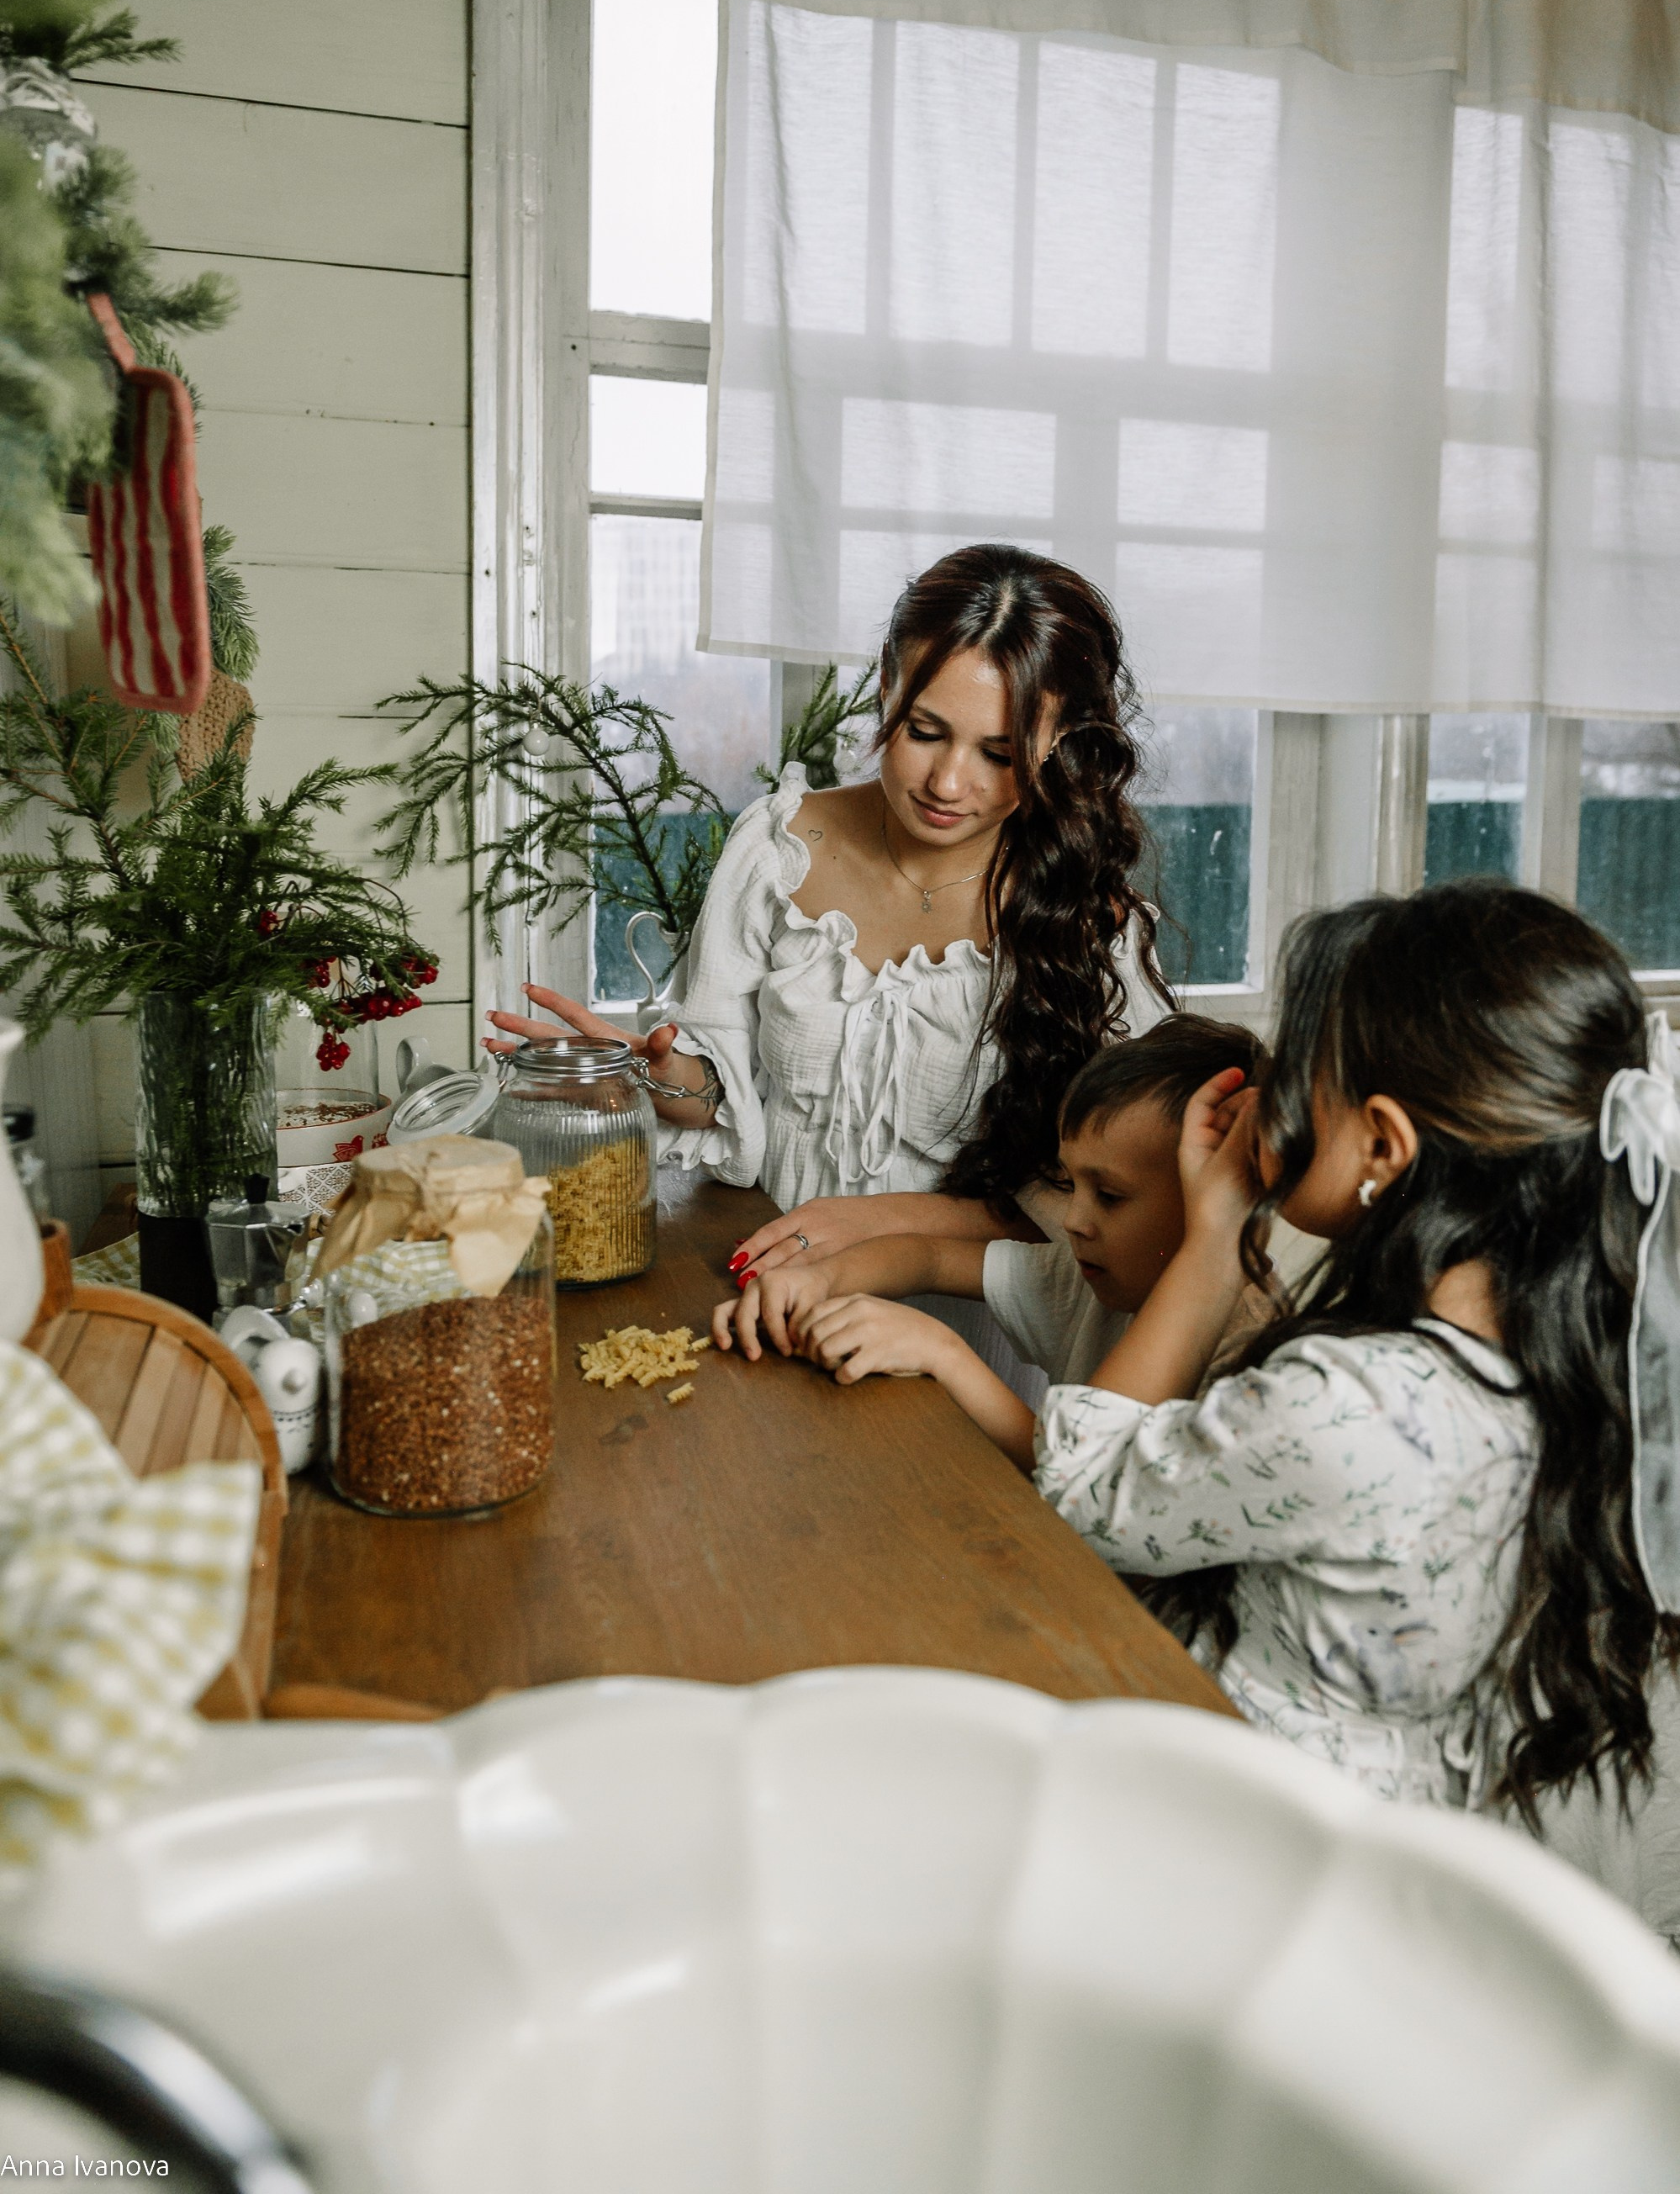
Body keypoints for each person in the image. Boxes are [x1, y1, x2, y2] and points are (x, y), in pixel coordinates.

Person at [1020, 881, 1678, 1820]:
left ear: (1381, 1146)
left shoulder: (1354, 1403)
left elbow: (1078, 1496)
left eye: (1299, 1071)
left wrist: (1213, 1235)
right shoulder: (1568, 1372)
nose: (1271, 1100)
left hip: (1243, 1828)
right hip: (1385, 1835)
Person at [489, 544, 1170, 1251]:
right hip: (781, 1291)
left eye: (999, 754)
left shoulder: (1094, 923)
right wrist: (647, 1078)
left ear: (1059, 736)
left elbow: (1118, 1203)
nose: (947, 782)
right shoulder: (777, 851)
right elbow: (719, 1100)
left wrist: (882, 1236)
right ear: (885, 685)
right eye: (924, 731)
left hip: (981, 1327)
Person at [713, 1016, 1275, 1444]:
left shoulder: (1252, 1348)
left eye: (1109, 1196)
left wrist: (943, 1353)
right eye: (1071, 1186)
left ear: (1217, 1193)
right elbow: (927, 1258)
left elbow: (1078, 1479)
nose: (1074, 1222)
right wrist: (819, 1279)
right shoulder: (1079, 1279)